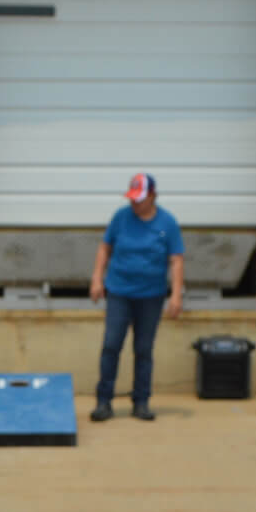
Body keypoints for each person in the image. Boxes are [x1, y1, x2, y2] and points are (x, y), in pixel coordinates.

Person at [89, 172, 185, 421]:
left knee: (143, 349)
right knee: (111, 345)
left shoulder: (166, 224)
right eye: (132, 198)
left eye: (139, 199)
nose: (134, 203)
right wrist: (97, 278)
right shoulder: (121, 218)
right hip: (120, 292)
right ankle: (103, 400)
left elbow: (175, 259)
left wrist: (176, 294)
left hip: (151, 296)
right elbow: (105, 247)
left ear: (152, 196)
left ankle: (141, 401)